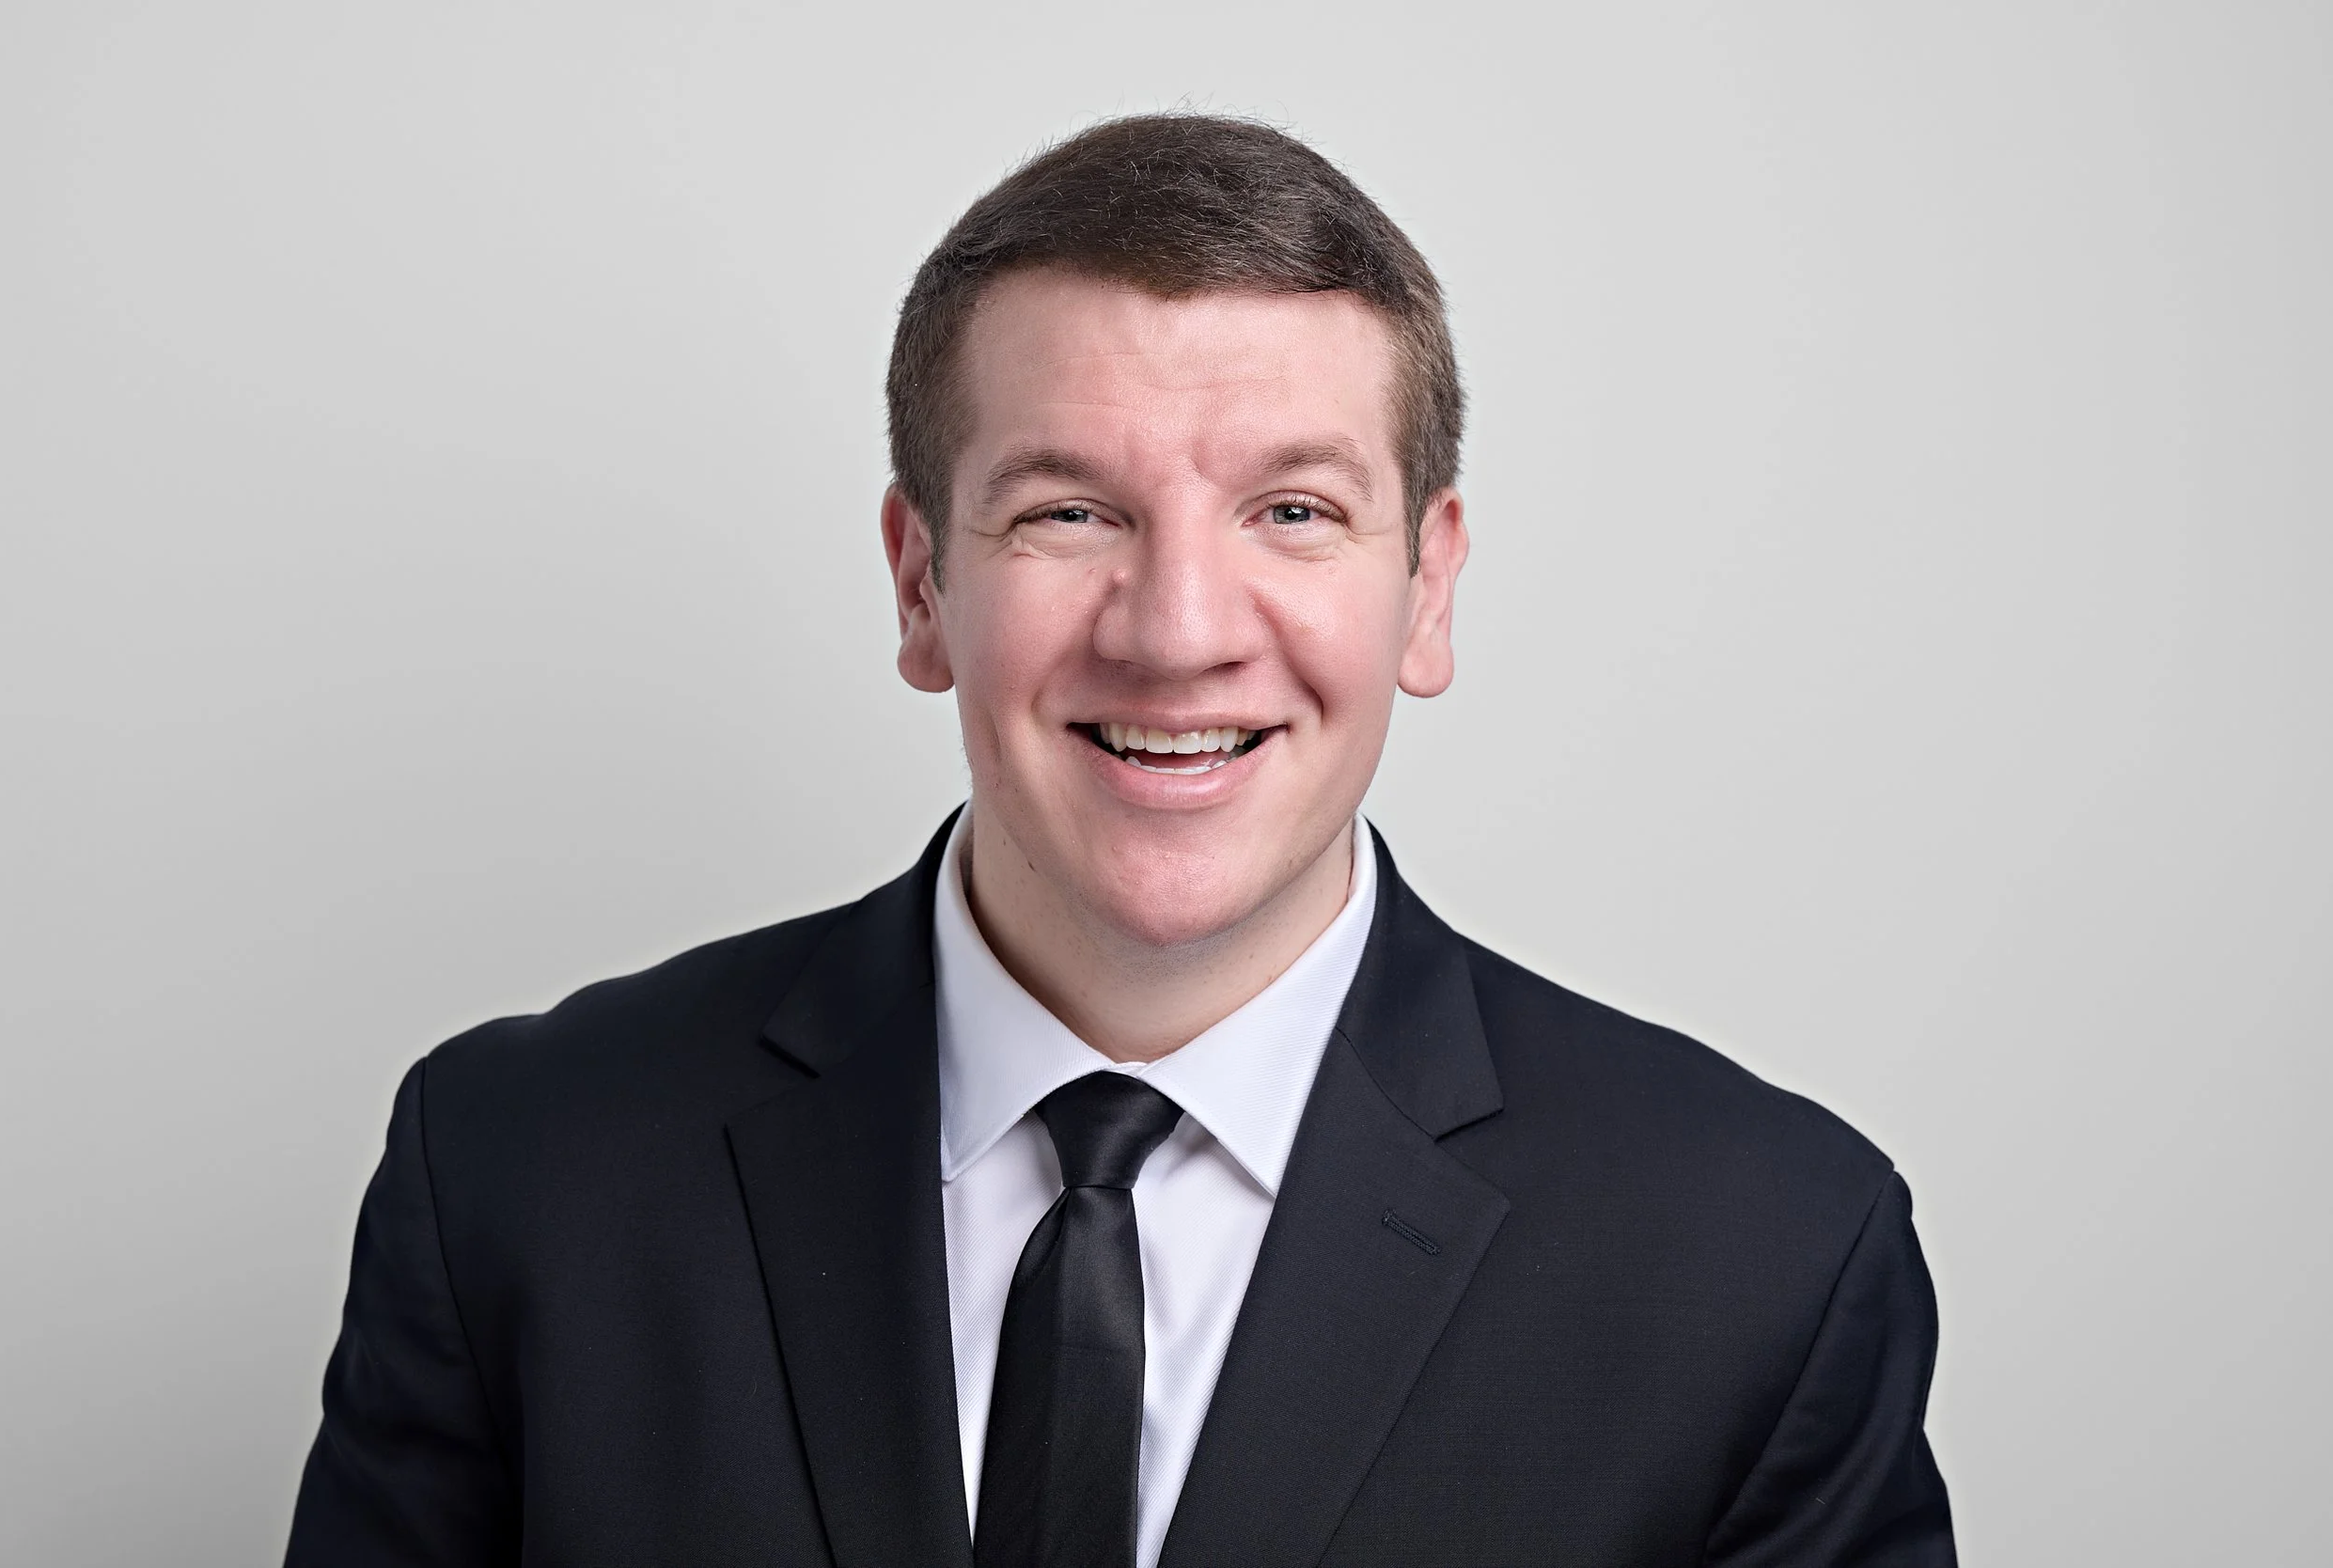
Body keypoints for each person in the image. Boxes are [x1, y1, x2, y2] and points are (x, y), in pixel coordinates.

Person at [285, 114, 1954, 1567]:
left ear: (1427, 587)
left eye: (1293, 511)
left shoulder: (1766, 1260)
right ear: (923, 578)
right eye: (1070, 511)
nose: (1176, 631)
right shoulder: (518, 1171)